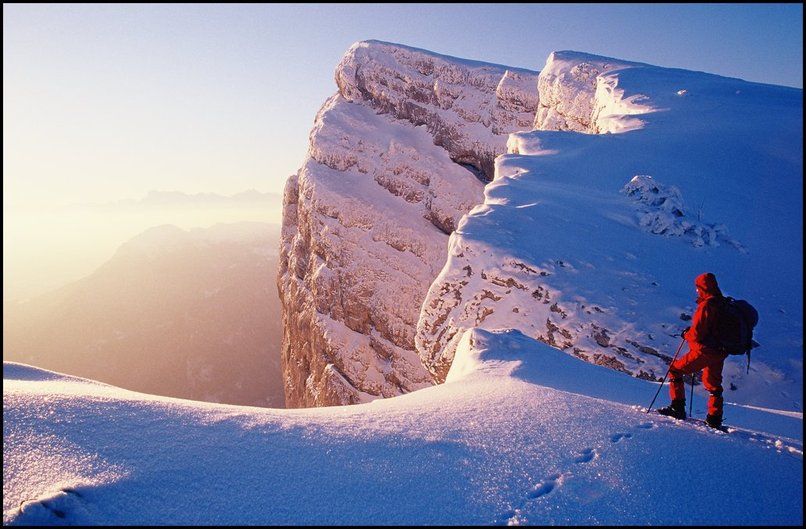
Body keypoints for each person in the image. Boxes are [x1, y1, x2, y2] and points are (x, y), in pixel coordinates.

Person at [657, 272, 729, 428]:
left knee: (675, 370)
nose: (697, 291)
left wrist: (686, 334)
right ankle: (714, 419)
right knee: (714, 384)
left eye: (698, 288)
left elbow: (697, 334)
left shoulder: (707, 305)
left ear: (702, 287)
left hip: (705, 351)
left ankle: (677, 408)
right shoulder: (724, 303)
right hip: (721, 351)